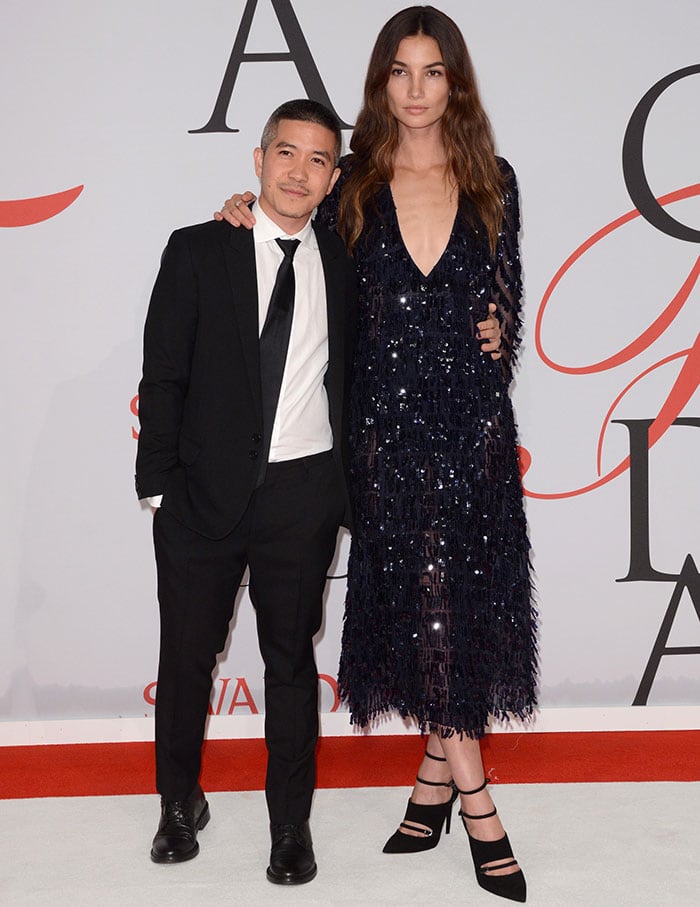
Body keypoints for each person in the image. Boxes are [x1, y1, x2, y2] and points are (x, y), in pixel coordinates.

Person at [218, 6, 537, 902]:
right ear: (381, 82)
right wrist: (242, 211)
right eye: (401, 71)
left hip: (470, 427)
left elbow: (504, 309)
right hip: (384, 434)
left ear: (455, 82)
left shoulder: (493, 178)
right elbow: (289, 232)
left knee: (461, 602)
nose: (417, 90)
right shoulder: (351, 180)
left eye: (433, 72)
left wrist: (495, 330)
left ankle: (436, 780)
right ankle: (478, 801)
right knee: (428, 596)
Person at [135, 98, 358, 885]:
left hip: (304, 492)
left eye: (319, 160)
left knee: (290, 663)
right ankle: (176, 802)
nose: (299, 171)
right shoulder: (199, 249)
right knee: (186, 657)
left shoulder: (348, 255)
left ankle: (289, 826)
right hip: (198, 496)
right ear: (257, 160)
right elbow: (162, 373)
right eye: (286, 154)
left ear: (335, 178)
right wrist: (159, 491)